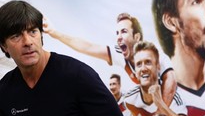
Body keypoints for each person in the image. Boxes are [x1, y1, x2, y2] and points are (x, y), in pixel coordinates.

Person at [0, 0, 132, 116]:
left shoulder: (77, 75)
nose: (27, 42)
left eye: (33, 31)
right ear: (4, 46)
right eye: (16, 36)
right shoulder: (6, 90)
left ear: (41, 35)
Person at [43, 13, 177, 107]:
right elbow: (88, 47)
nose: (118, 37)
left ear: (137, 37)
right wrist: (55, 33)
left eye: (124, 31)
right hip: (151, 105)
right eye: (117, 33)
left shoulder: (155, 53)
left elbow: (171, 78)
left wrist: (161, 113)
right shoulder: (120, 53)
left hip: (173, 103)